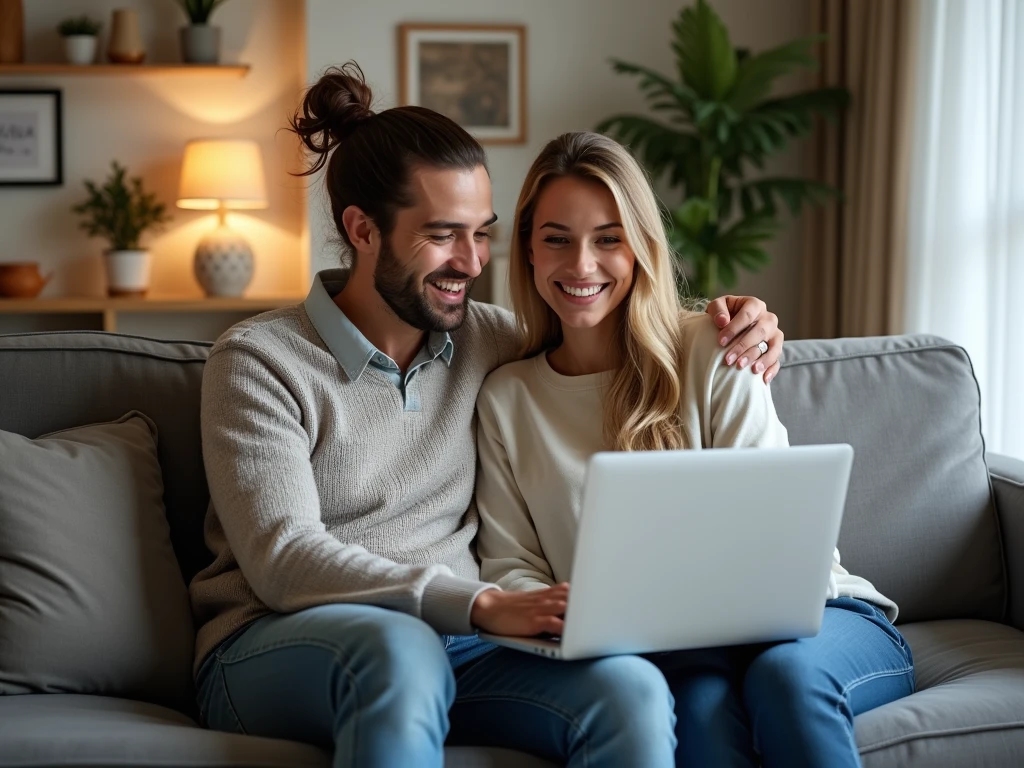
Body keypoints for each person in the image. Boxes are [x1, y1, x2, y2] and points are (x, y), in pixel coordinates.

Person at [189, 63, 787, 767]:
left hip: (461, 647)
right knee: (396, 647)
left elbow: (610, 319)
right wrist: (475, 604)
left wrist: (738, 321)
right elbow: (282, 560)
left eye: (484, 233)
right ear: (362, 230)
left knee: (630, 690)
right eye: (443, 235)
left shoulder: (490, 339)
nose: (471, 263)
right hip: (276, 643)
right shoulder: (260, 361)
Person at [473, 131, 915, 768]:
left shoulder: (715, 346)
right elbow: (511, 567)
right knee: (699, 719)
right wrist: (582, 613)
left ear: (642, 248)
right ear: (527, 251)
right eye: (557, 239)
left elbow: (783, 532)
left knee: (784, 680)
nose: (581, 265)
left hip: (818, 619)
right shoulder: (507, 399)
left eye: (608, 238)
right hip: (671, 656)